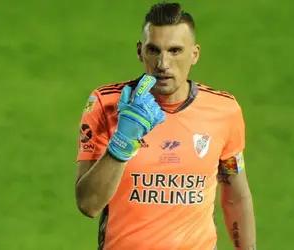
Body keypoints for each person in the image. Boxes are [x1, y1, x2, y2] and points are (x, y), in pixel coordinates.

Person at [75, 2, 256, 250]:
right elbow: (88, 204)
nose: (162, 63)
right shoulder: (106, 104)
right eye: (154, 50)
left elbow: (236, 196)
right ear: (140, 52)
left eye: (175, 51)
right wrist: (123, 142)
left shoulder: (224, 110)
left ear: (195, 53)